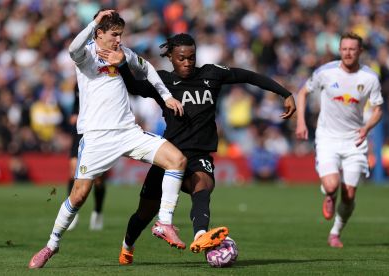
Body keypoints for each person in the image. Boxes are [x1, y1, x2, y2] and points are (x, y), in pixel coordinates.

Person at [96, 33, 296, 265]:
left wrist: (285, 93)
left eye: (191, 57)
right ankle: (127, 246)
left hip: (199, 155)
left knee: (203, 185)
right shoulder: (162, 82)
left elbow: (248, 76)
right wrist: (121, 64)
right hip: (168, 156)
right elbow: (133, 86)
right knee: (144, 213)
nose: (187, 62)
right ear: (170, 56)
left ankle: (201, 235)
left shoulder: (212, 74)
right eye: (182, 58)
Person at [28, 10, 187, 269]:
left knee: (177, 159)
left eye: (121, 35)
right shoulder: (86, 54)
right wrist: (93, 22)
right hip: (96, 137)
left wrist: (167, 96)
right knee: (78, 196)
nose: (118, 40)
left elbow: (147, 68)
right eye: (114, 34)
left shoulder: (123, 53)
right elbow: (72, 47)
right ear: (99, 33)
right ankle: (52, 245)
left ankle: (164, 222)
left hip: (128, 132)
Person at [295, 32, 383, 248]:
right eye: (344, 48)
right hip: (328, 138)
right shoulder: (326, 72)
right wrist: (300, 123)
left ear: (360, 51)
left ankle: (335, 233)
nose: (348, 53)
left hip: (355, 139)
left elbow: (378, 109)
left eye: (352, 49)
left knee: (350, 195)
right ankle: (329, 194)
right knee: (332, 184)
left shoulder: (369, 78)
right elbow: (302, 93)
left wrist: (367, 127)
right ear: (340, 50)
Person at [66, 84, 106, 231]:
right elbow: (77, 102)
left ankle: (97, 211)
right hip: (81, 130)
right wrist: (74, 114)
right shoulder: (78, 83)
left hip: (98, 130)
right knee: (72, 171)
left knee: (98, 178)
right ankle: (72, 213)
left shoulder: (102, 80)